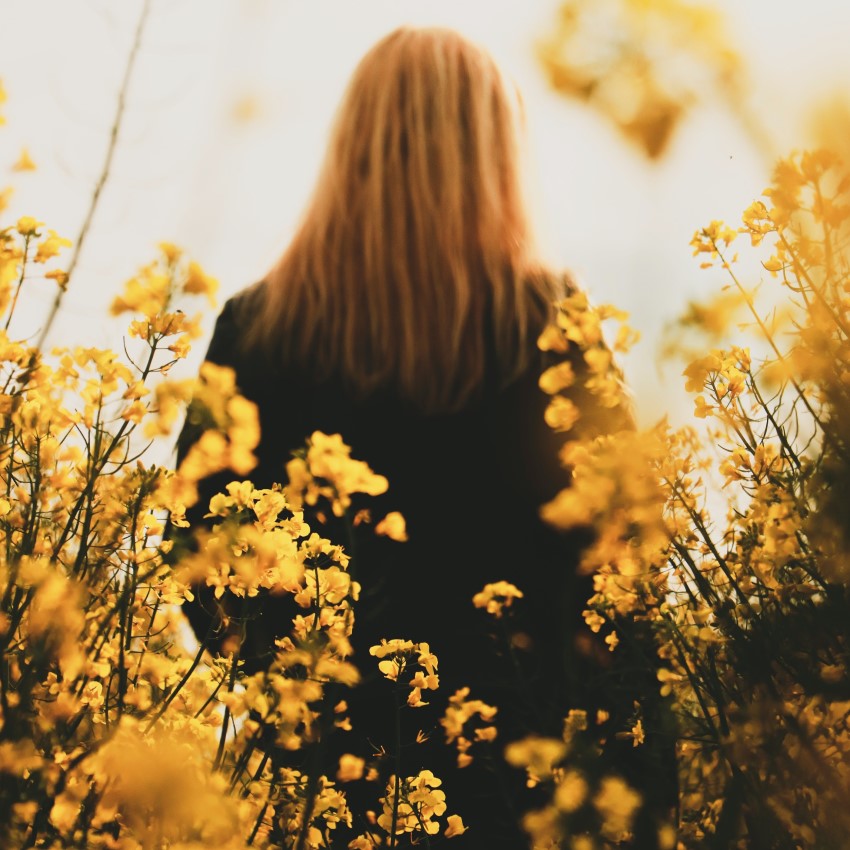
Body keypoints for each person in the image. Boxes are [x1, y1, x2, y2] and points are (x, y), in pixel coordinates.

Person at [171, 25, 676, 849]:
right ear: (494, 153)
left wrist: (303, 697)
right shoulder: (550, 329)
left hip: (324, 794)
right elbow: (622, 589)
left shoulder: (256, 332)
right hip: (519, 802)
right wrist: (647, 803)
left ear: (353, 144)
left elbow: (198, 564)